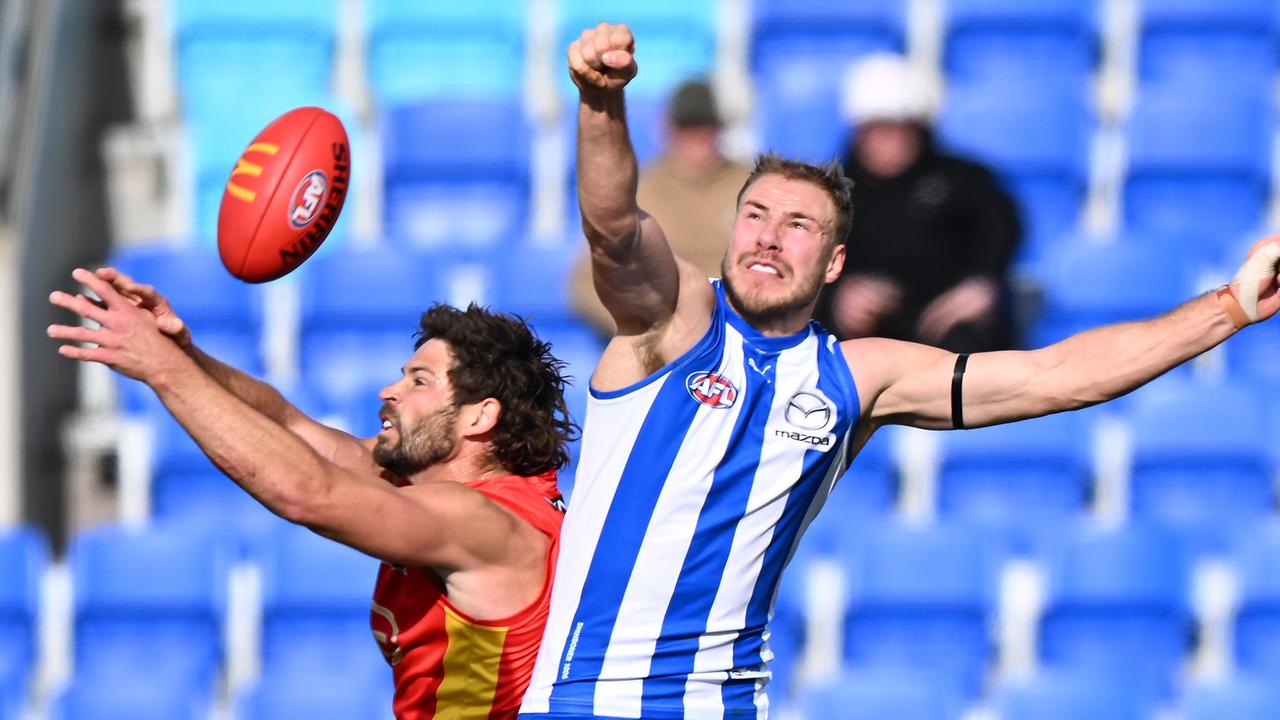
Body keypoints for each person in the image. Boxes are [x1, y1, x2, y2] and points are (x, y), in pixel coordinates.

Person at [518, 21, 1280, 720]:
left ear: (835, 262)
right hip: (580, 699)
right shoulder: (675, 320)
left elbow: (1053, 376)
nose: (770, 238)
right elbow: (615, 226)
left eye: (799, 226)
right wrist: (599, 104)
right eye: (755, 215)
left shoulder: (859, 375)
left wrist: (1229, 307)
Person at [47, 267, 577, 719]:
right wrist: (182, 353)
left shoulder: (483, 520)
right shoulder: (443, 488)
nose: (389, 391)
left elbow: (308, 493)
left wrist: (164, 372)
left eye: (420, 381)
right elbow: (288, 424)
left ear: (480, 416)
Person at [812, 53, 1022, 353]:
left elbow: (1003, 230)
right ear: (858, 132)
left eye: (902, 126)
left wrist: (982, 285)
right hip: (861, 334)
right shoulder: (828, 192)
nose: (892, 138)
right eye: (879, 127)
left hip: (947, 326)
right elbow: (805, 260)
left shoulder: (964, 179)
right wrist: (835, 296)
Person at [569, 78, 751, 337]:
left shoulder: (750, 185)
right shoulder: (636, 190)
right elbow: (585, 282)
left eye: (706, 126)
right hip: (659, 336)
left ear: (720, 129)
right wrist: (643, 330)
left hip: (739, 332)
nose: (698, 138)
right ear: (666, 128)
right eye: (687, 127)